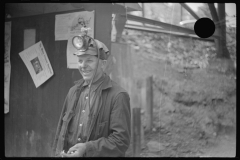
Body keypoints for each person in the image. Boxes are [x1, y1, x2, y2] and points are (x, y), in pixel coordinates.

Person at [52, 36, 131, 157]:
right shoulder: (72, 92)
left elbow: (121, 141)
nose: (83, 65)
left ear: (103, 64)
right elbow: (60, 132)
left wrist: (87, 149)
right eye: (80, 60)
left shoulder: (118, 96)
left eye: (89, 60)